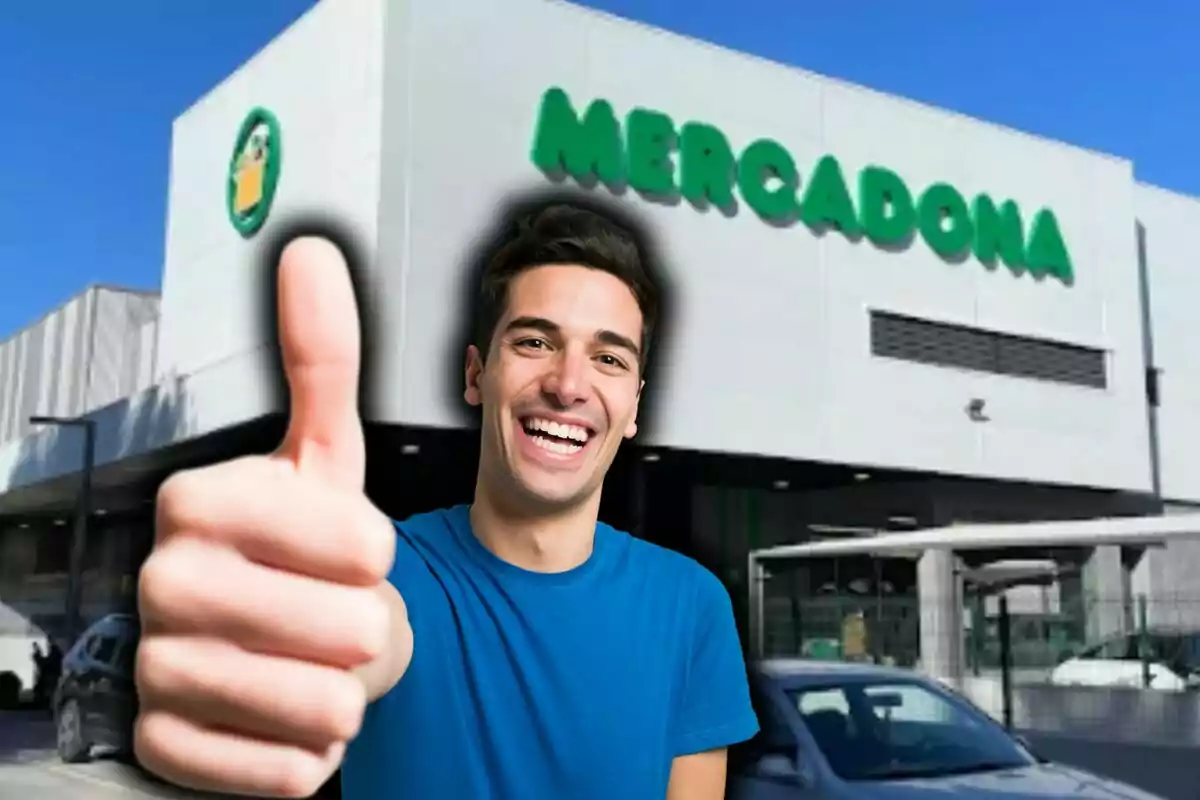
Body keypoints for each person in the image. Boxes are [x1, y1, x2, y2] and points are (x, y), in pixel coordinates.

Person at [133, 202, 759, 799]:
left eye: (607, 357)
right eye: (534, 342)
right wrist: (263, 634)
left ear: (634, 409)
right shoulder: (378, 570)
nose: (569, 385)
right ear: (474, 374)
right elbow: (368, 635)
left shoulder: (692, 604)